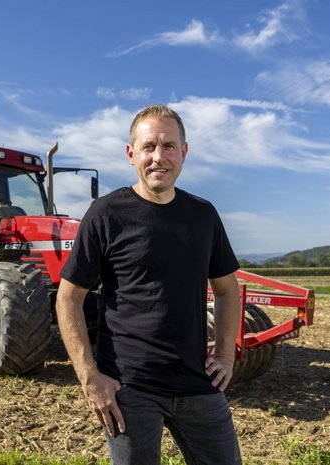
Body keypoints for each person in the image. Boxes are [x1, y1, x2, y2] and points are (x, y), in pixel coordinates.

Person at [56, 104, 243, 465]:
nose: (159, 157)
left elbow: (227, 289)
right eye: (148, 147)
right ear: (131, 154)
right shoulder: (106, 214)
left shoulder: (203, 215)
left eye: (169, 146)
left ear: (183, 152)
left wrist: (224, 356)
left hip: (198, 383)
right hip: (129, 389)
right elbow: (68, 298)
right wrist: (89, 376)